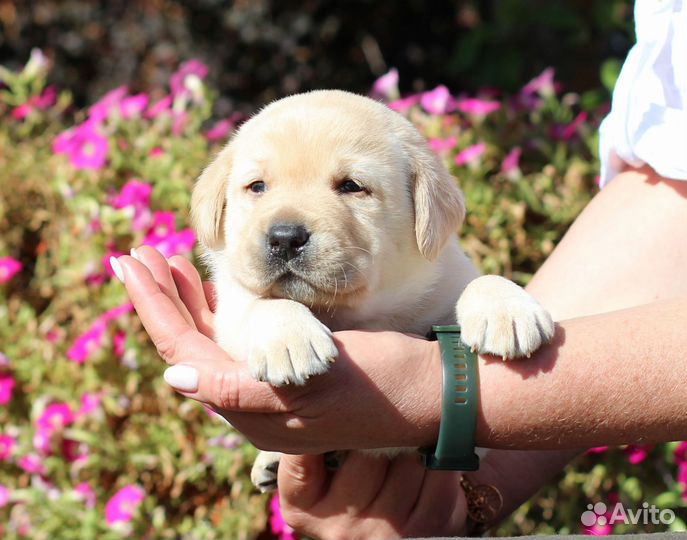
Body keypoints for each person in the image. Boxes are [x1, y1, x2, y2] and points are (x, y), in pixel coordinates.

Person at [114, 1, 686, 536]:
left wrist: (446, 385)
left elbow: (481, 359)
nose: (286, 226)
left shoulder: (444, 277)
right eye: (257, 186)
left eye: (351, 185)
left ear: (426, 212)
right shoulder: (252, 297)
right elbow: (668, 176)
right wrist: (467, 501)